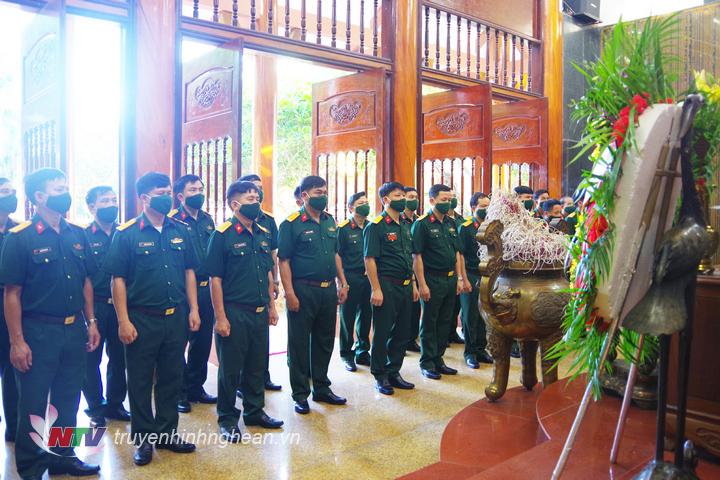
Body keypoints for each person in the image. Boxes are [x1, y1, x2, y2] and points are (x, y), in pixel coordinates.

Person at [0, 168, 101, 479]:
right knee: (32, 402)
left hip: (73, 331)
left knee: (68, 398)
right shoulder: (21, 238)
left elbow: (86, 282)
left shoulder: (77, 233)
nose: (65, 193)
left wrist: (92, 321)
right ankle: (30, 468)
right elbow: (12, 293)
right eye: (58, 189)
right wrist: (17, 341)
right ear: (40, 197)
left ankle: (62, 457)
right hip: (38, 332)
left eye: (65, 187)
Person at [104, 172, 200, 466]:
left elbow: (189, 272)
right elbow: (117, 279)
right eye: (161, 191)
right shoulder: (127, 233)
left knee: (172, 377)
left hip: (175, 318)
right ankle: (144, 439)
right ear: (144, 198)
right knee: (141, 381)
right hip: (141, 319)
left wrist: (194, 309)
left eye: (169, 190)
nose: (167, 195)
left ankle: (168, 432)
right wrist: (123, 320)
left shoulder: (180, 229)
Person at [207, 181, 283, 442]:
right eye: (250, 198)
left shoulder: (263, 232)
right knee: (230, 370)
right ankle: (227, 418)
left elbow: (267, 271)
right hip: (234, 311)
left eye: (257, 197)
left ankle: (254, 411)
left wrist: (272, 307)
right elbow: (215, 279)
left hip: (259, 310)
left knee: (256, 365)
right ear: (235, 204)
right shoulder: (222, 234)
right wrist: (220, 317)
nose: (256, 202)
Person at [278, 175, 349, 414]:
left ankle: (321, 387)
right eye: (318, 192)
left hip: (328, 290)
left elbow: (336, 254)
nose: (323, 196)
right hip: (302, 289)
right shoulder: (291, 223)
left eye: (325, 192)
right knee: (299, 344)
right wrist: (289, 293)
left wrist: (343, 282)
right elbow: (284, 260)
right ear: (305, 195)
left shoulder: (330, 221)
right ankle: (300, 394)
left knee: (324, 340)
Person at [82, 186, 130, 428]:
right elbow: (83, 279)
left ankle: (115, 403)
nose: (111, 204)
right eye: (104, 201)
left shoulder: (125, 233)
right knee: (91, 358)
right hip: (96, 305)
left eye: (113, 199)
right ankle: (95, 405)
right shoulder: (83, 236)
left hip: (121, 306)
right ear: (91, 207)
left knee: (120, 358)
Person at [364, 182, 417, 395]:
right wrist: (376, 289)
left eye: (404, 195)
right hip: (386, 284)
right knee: (383, 331)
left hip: (405, 284)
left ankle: (394, 370)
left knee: (403, 331)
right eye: (398, 195)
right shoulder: (376, 226)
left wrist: (413, 283)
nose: (403, 198)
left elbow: (409, 256)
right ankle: (380, 374)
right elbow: (369, 259)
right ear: (386, 199)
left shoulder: (405, 223)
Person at [171, 175, 218, 413]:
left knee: (202, 342)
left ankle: (196, 387)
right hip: (182, 289)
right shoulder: (172, 222)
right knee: (179, 342)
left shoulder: (208, 220)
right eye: (193, 190)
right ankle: (179, 392)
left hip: (206, 288)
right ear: (180, 196)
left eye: (201, 188)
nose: (199, 192)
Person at [412, 184, 464, 379]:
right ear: (432, 201)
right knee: (429, 322)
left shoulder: (451, 223)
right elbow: (417, 257)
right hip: (432, 279)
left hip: (450, 279)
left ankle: (439, 359)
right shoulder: (422, 224)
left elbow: (457, 253)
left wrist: (459, 278)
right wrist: (422, 284)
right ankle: (427, 362)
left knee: (445, 321)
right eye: (443, 200)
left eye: (450, 199)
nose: (448, 203)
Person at [238, 173, 282, 391]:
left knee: (262, 337)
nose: (257, 194)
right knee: (241, 344)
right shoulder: (230, 229)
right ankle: (241, 381)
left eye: (260, 189)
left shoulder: (268, 221)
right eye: (252, 190)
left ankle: (262, 375)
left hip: (263, 283)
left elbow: (272, 254)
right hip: (240, 294)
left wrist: (274, 280)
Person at [336, 191, 372, 372]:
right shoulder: (343, 228)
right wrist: (342, 282)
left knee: (366, 316)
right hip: (351, 276)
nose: (365, 205)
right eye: (361, 202)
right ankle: (346, 354)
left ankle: (363, 352)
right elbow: (338, 256)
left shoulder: (371, 226)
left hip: (369, 279)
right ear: (351, 207)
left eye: (367, 202)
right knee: (347, 317)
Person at [458, 193, 493, 369]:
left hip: (487, 275)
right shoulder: (466, 227)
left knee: (483, 314)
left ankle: (481, 348)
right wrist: (463, 279)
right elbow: (460, 256)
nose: (486, 209)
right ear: (473, 208)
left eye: (489, 205)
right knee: (470, 315)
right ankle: (470, 352)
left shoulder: (491, 226)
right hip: (470, 274)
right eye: (483, 206)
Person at [0, 177, 19, 442]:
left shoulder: (18, 231)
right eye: (4, 192)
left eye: (13, 192)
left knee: (12, 367)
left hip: (13, 305)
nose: (10, 196)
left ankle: (13, 425)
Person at [446, 190, 470, 345]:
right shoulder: (428, 222)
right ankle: (445, 335)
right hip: (442, 270)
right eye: (448, 198)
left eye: (454, 197)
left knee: (455, 305)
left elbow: (459, 249)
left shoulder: (460, 220)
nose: (452, 200)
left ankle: (452, 332)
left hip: (461, 266)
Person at [402, 186, 421, 353]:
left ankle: (412, 339)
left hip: (417, 269)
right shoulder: (399, 220)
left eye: (416, 196)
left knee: (415, 308)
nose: (414, 199)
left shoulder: (419, 221)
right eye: (410, 196)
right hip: (402, 268)